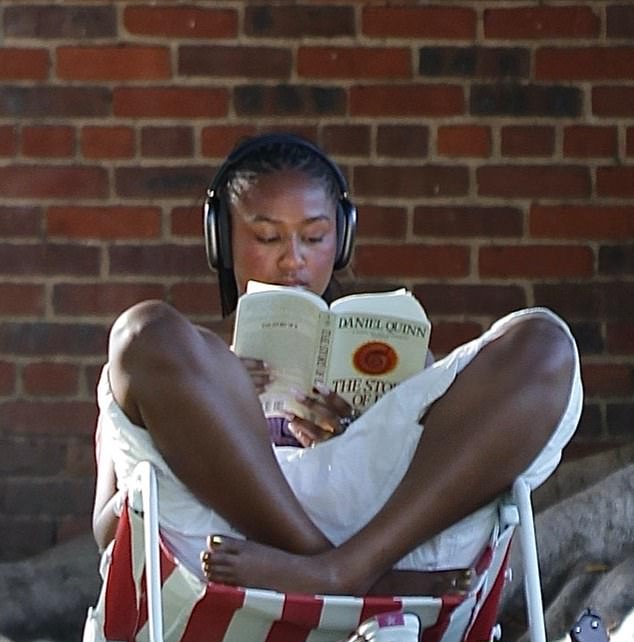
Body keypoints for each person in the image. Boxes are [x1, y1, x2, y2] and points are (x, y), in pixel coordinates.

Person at [92, 133, 583, 601]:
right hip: (235, 537)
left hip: (376, 521)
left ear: (342, 239)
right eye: (267, 237)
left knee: (545, 345)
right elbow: (106, 525)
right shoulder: (166, 368)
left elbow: (470, 484)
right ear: (221, 240)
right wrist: (216, 414)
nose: (293, 261)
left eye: (314, 237)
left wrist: (363, 431)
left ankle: (343, 569)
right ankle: (339, 569)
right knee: (142, 330)